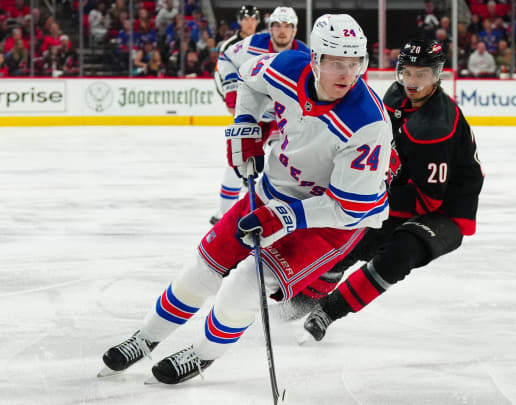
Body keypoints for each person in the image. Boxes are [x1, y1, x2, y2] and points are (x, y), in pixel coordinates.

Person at [99, 13, 393, 385]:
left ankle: (202, 355)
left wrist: (285, 218)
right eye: (336, 62)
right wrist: (246, 126)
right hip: (273, 191)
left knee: (242, 287)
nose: (347, 74)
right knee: (202, 268)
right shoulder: (287, 65)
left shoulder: (368, 122)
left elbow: (350, 209)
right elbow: (248, 80)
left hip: (328, 223)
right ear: (315, 59)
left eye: (355, 64)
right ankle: (145, 338)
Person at [301, 38, 484, 342]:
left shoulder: (434, 127)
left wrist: (368, 198)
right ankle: (301, 300)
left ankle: (328, 311)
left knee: (401, 251)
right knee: (350, 233)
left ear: (437, 76)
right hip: (405, 190)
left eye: (422, 75)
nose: (412, 82)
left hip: (447, 210)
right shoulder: (396, 95)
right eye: (407, 72)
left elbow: (427, 200)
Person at [210, 6, 311, 225]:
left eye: (287, 26)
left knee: (282, 162)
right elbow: (226, 58)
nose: (282, 31)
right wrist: (230, 89)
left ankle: (273, 211)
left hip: (282, 118)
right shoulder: (253, 43)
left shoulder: (303, 52)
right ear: (270, 27)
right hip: (253, 114)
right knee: (238, 159)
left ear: (294, 30)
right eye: (277, 26)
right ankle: (225, 214)